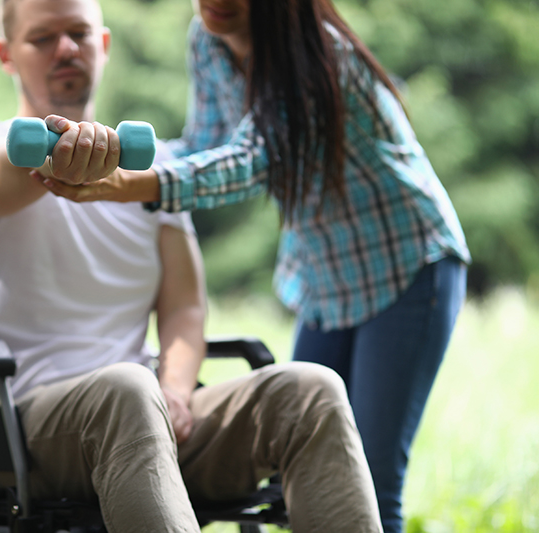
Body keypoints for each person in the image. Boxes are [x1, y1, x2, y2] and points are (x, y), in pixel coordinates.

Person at [0, 0, 384, 531]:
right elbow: (4, 176)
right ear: (6, 55)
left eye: (78, 33)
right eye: (43, 38)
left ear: (102, 46)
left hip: (149, 414)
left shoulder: (156, 171)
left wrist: (175, 389)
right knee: (127, 389)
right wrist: (59, 154)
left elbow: (186, 307)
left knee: (310, 390)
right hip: (22, 428)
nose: (65, 48)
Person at [38, 1, 470, 532]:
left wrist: (130, 185)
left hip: (408, 262)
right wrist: (106, 151)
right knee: (302, 466)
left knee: (374, 480)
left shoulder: (321, 57)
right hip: (326, 277)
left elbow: (251, 160)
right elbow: (205, 144)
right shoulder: (209, 39)